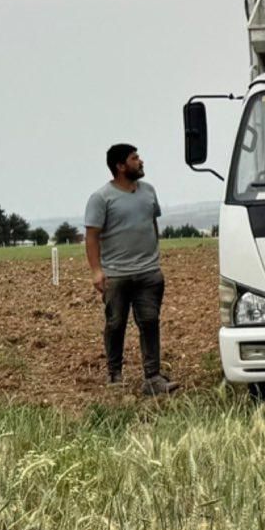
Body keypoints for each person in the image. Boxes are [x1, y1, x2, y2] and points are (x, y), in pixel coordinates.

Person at [85, 142, 172, 394]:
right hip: (116, 275)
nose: (141, 161)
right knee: (115, 324)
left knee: (150, 322)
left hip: (148, 272)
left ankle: (153, 378)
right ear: (120, 166)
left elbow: (152, 225)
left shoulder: (148, 192)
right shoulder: (101, 198)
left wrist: (155, 257)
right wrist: (96, 271)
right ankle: (115, 375)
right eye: (135, 158)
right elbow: (92, 236)